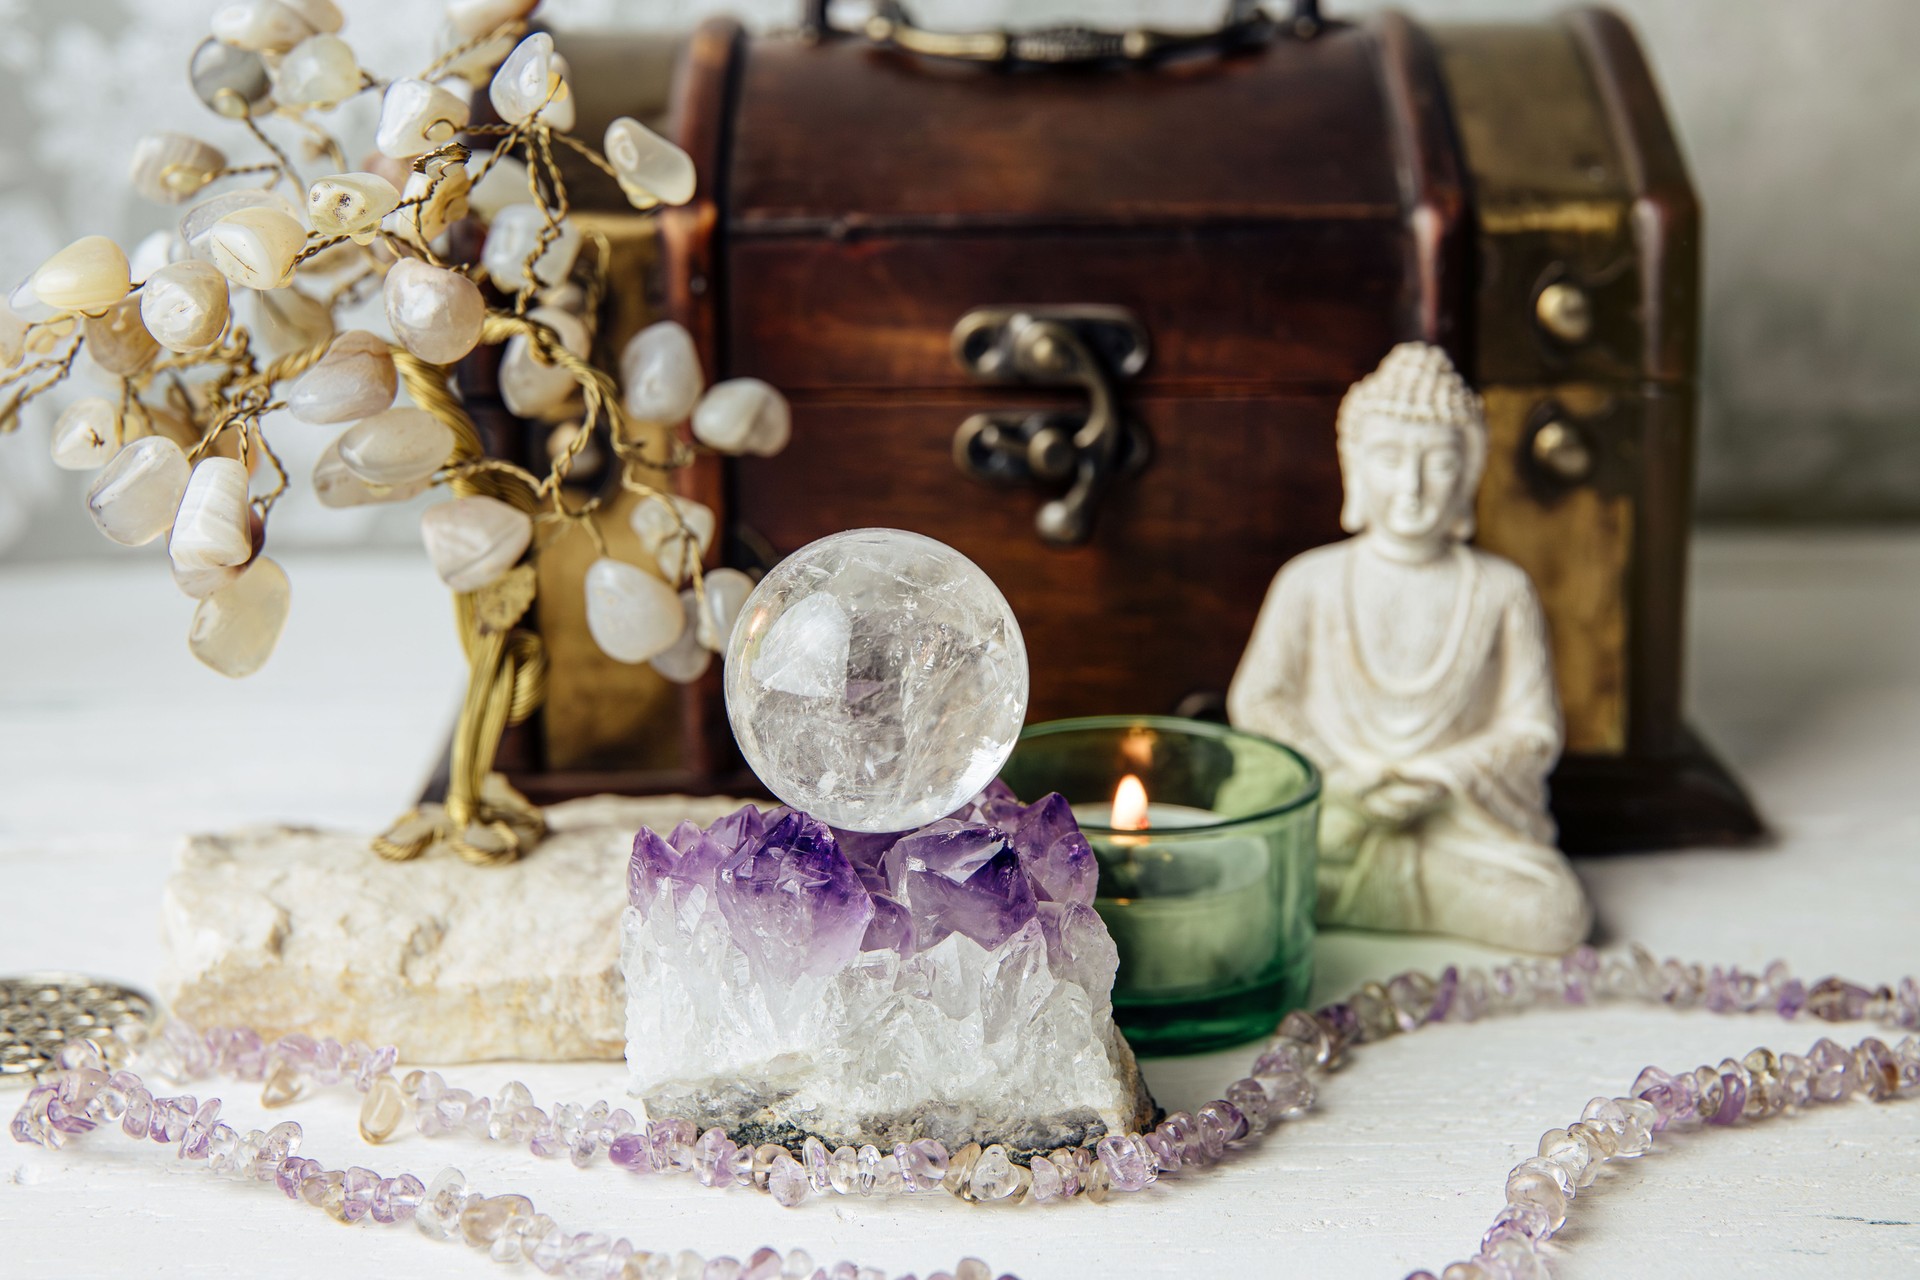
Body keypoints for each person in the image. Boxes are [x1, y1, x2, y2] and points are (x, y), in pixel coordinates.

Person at [1227, 343, 1592, 953]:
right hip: (1335, 819)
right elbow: (1260, 702)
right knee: (1239, 890)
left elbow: (1534, 731)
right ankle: (1367, 887)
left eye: (1440, 463)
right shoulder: (1309, 581)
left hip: (1455, 826)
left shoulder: (1502, 589)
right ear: (1355, 467)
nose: (1413, 485)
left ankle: (1377, 892)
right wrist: (1344, 776)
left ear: (1470, 475)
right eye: (1390, 458)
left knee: (1553, 916)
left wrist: (1438, 776)